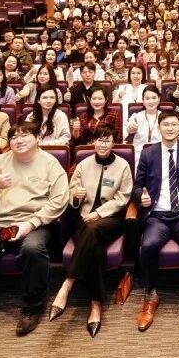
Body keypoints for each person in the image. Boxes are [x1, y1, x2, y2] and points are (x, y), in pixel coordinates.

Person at [0, 121, 70, 338]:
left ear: (37, 138)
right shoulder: (1, 160)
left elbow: (59, 200)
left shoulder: (49, 163)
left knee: (32, 250)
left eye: (25, 135)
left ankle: (33, 305)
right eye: (14, 137)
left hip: (33, 222)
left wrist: (31, 223)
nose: (18, 140)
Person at [48, 126, 132, 337]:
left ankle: (67, 283)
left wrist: (100, 213)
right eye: (99, 140)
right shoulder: (83, 164)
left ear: (114, 143)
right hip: (84, 219)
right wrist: (76, 196)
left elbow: (123, 198)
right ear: (93, 142)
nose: (103, 144)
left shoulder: (122, 166)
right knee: (95, 248)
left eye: (107, 140)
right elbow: (71, 193)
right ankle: (96, 305)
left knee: (93, 230)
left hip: (111, 219)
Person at [132, 111, 179, 331]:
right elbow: (137, 186)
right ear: (159, 128)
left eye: (174, 124)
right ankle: (150, 295)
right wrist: (141, 197)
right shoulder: (148, 153)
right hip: (158, 216)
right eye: (166, 124)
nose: (170, 128)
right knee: (148, 245)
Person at [126, 85, 163, 169]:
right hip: (139, 155)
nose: (151, 101)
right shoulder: (136, 117)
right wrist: (130, 129)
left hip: (160, 154)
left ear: (159, 99)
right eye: (147, 98)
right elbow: (127, 130)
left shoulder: (165, 117)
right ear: (143, 100)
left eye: (154, 98)